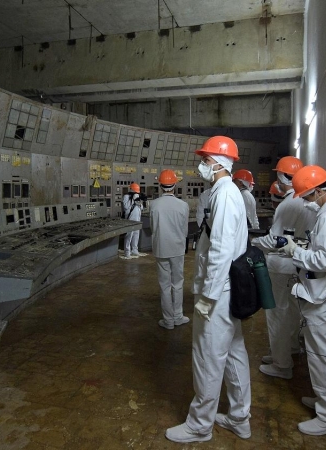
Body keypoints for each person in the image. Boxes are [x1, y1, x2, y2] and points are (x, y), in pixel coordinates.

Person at [165, 136, 251, 443]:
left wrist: (208, 298)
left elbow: (221, 251)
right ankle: (240, 418)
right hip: (225, 290)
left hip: (219, 292)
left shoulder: (225, 194)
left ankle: (200, 425)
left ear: (217, 162)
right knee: (233, 353)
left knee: (207, 357)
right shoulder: (224, 192)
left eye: (205, 159)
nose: (201, 164)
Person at [278, 165, 326, 436]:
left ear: (319, 191)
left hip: (323, 298)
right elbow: (324, 251)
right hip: (321, 294)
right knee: (320, 355)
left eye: (308, 197)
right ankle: (324, 403)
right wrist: (305, 249)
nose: (307, 203)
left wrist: (296, 251)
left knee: (323, 356)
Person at [251, 156, 316, 380]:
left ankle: (281, 364)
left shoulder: (288, 204)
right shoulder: (309, 202)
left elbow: (274, 240)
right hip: (299, 265)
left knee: (276, 312)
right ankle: (288, 349)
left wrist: (252, 243)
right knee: (291, 311)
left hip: (280, 266)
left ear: (281, 176)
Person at [150, 170, 190, 330]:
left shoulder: (154, 205)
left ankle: (168, 321)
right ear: (175, 185)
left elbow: (153, 228)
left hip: (161, 248)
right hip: (178, 248)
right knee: (178, 283)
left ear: (160, 186)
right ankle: (178, 317)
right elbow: (185, 230)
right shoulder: (183, 205)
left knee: (164, 285)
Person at [121, 182, 146, 259]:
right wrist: (133, 200)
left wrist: (139, 201)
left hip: (137, 219)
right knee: (129, 235)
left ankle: (135, 250)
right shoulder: (126, 197)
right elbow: (126, 207)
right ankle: (127, 252)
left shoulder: (137, 196)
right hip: (130, 219)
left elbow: (141, 208)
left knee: (136, 234)